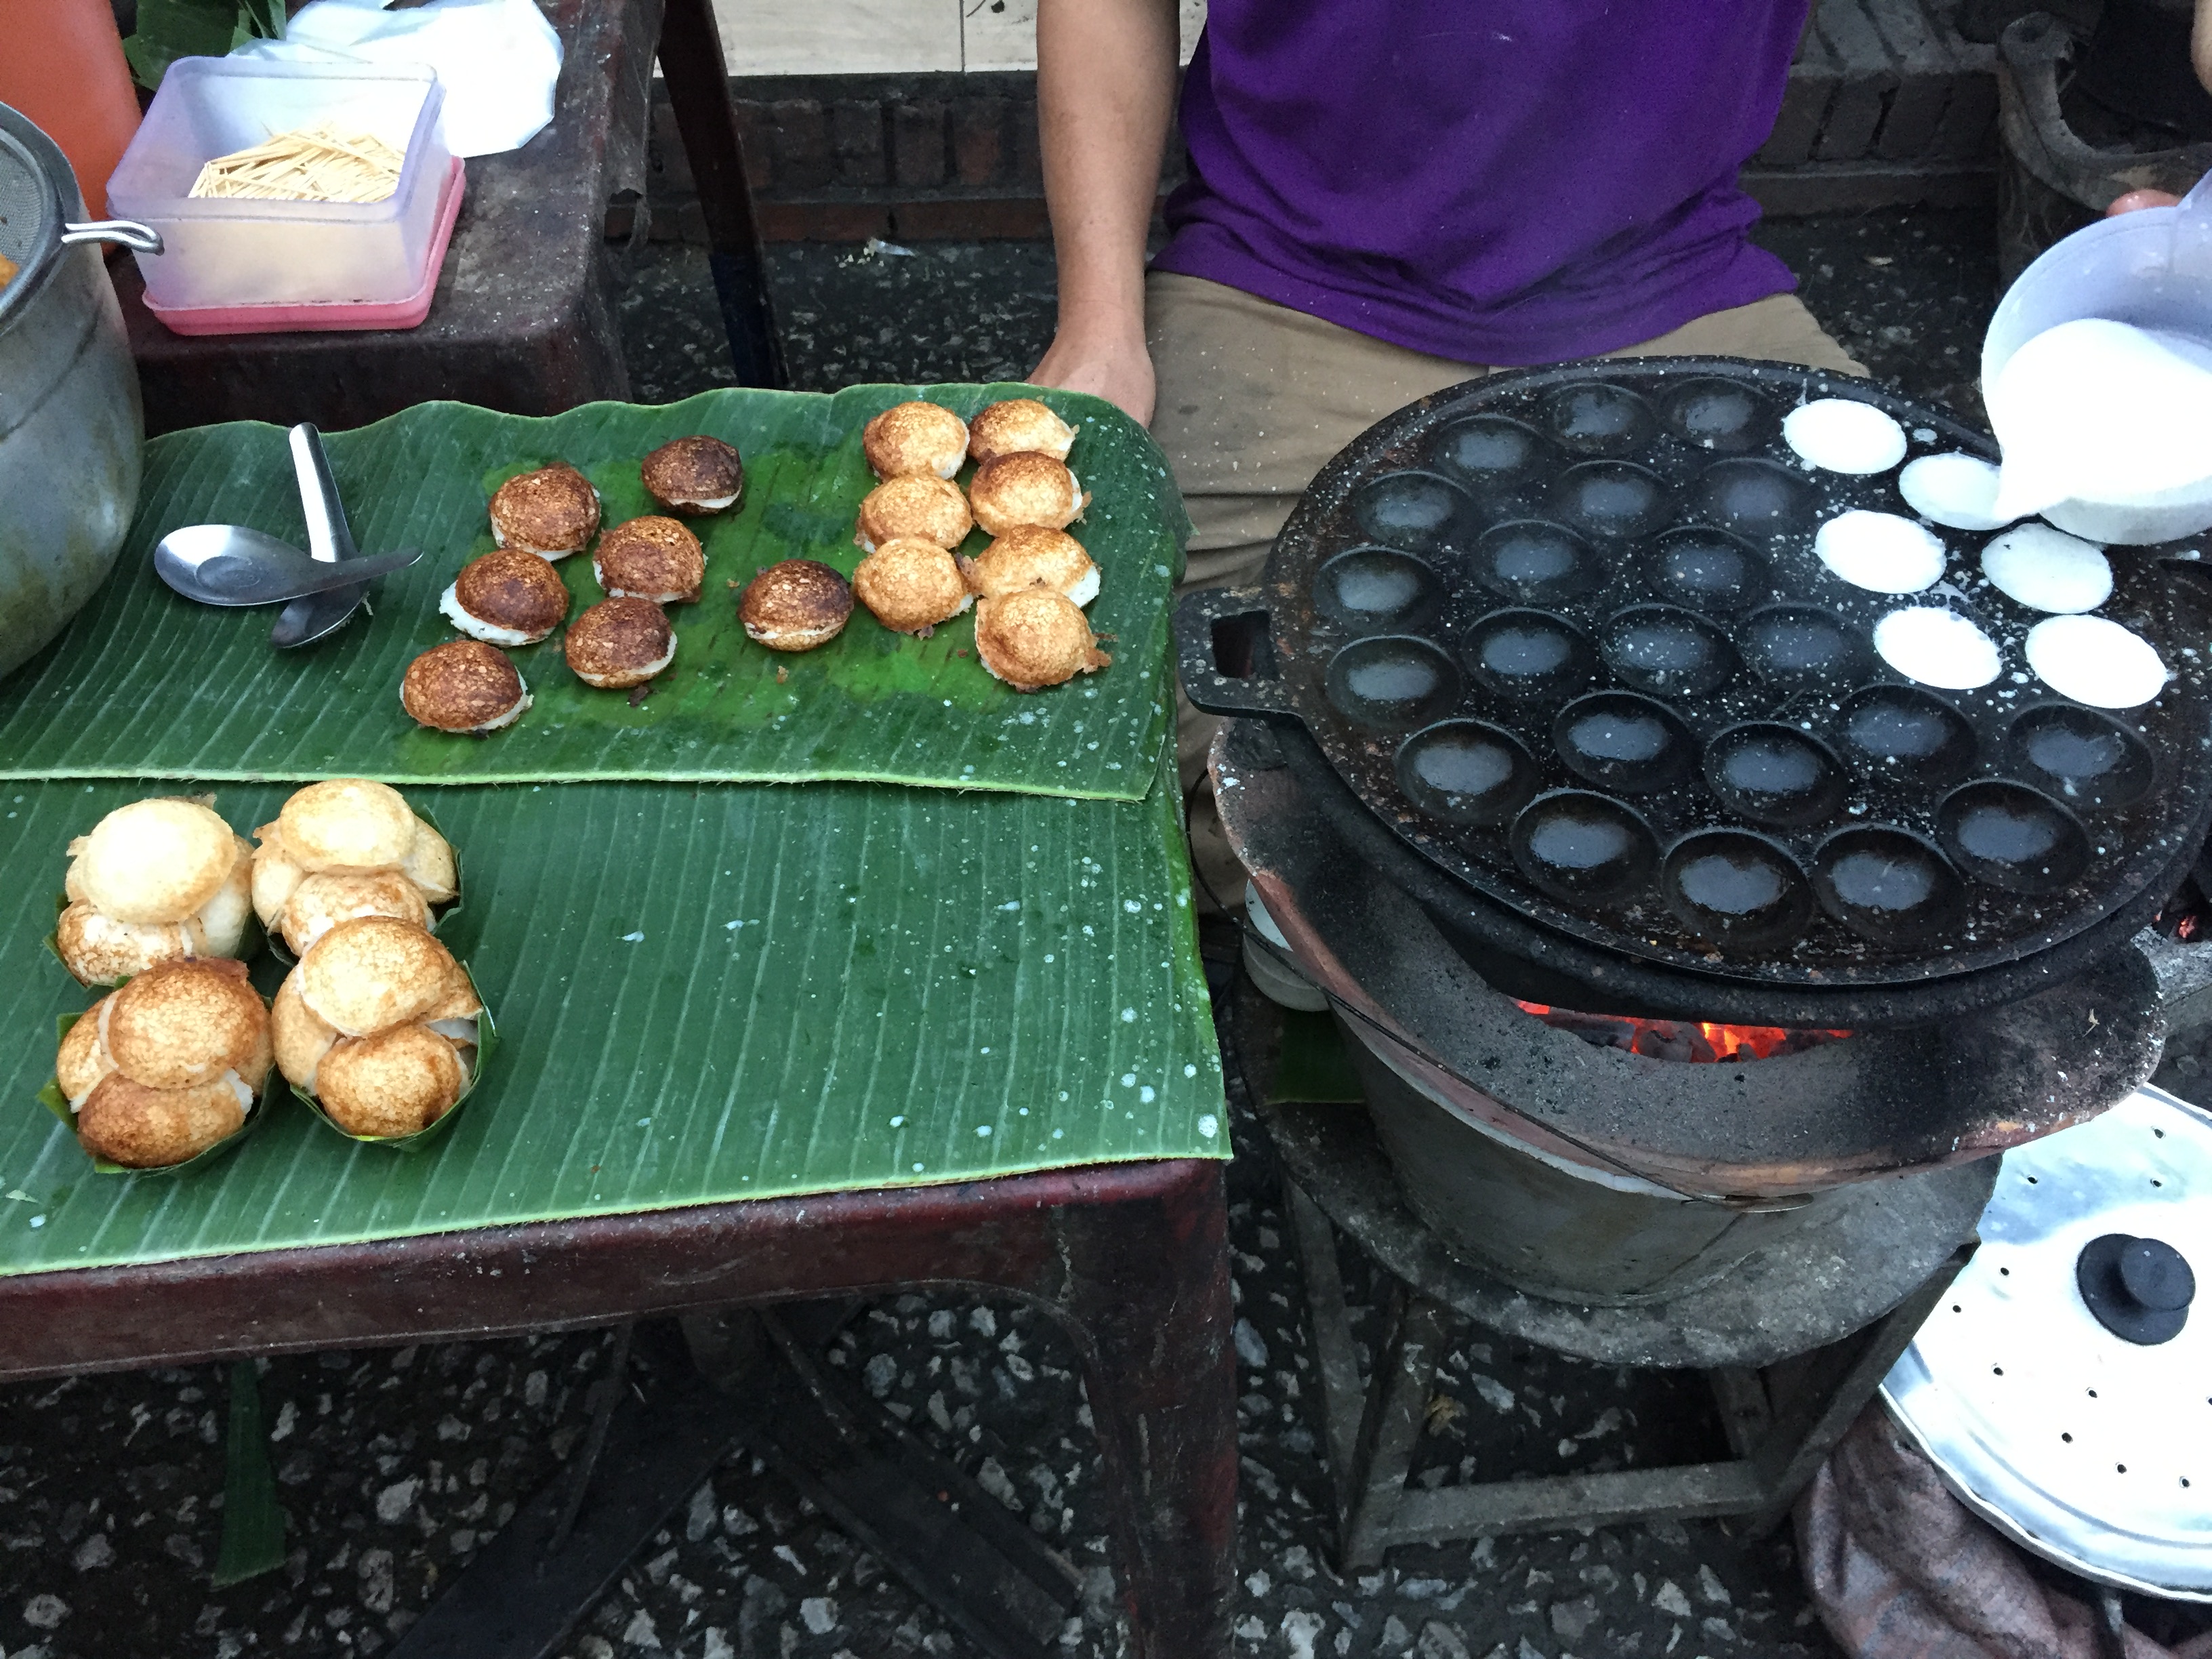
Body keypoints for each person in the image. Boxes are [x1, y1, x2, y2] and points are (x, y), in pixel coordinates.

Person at [1023, 0, 2210, 903]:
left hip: (1674, 287)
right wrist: (1100, 331)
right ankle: (1318, 992)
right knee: (1205, 758)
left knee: (1909, 758)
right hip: (1281, 281)